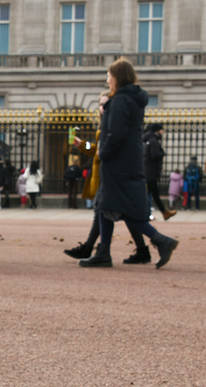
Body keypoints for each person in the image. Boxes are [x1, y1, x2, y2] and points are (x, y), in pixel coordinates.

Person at [78, 58, 179, 269]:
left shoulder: (120, 100)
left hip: (117, 161)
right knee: (106, 205)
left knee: (118, 208)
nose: (107, 79)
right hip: (126, 159)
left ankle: (160, 240)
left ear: (117, 77)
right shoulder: (131, 99)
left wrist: (103, 153)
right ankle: (103, 251)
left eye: (109, 75)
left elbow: (116, 133)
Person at [65, 92, 151, 265]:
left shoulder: (113, 122)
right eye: (100, 104)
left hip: (110, 176)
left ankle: (92, 247)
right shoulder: (104, 124)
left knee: (104, 212)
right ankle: (141, 249)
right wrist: (81, 144)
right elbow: (96, 147)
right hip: (103, 175)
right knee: (111, 213)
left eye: (106, 103)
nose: (102, 107)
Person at [142, 123, 176, 221]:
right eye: (161, 130)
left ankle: (164, 212)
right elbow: (155, 154)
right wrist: (162, 153)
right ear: (157, 130)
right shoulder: (153, 140)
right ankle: (148, 213)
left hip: (148, 171)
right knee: (149, 194)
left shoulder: (148, 139)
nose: (162, 132)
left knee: (154, 193)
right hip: (151, 171)